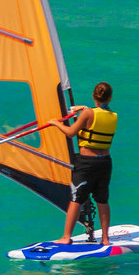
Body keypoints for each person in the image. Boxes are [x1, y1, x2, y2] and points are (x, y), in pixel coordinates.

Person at [49, 81, 118, 244]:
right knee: (102, 200)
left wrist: (55, 123)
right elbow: (97, 115)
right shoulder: (113, 116)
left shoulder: (88, 113)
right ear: (110, 98)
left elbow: (71, 133)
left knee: (77, 199)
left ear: (94, 96)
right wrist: (82, 109)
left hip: (87, 163)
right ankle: (105, 238)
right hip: (105, 163)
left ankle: (66, 237)